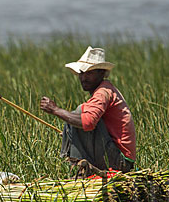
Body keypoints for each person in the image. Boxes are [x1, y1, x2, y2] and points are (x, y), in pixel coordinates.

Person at [40, 47, 136, 176]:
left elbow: (88, 122)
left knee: (80, 112)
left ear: (101, 73)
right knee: (77, 116)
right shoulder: (106, 89)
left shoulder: (103, 93)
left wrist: (55, 110)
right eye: (81, 73)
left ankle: (84, 170)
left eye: (89, 73)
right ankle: (83, 168)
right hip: (117, 157)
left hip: (119, 162)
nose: (83, 78)